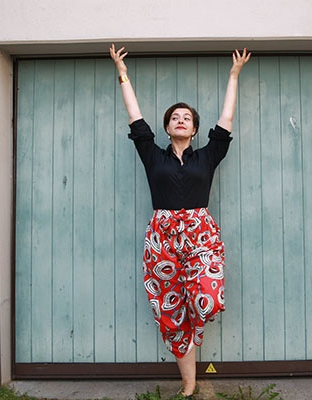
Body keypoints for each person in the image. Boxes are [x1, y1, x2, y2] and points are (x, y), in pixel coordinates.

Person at [110, 43, 251, 398]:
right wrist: (122, 74)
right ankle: (189, 384)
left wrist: (234, 75)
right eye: (175, 117)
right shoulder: (152, 155)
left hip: (200, 236)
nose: (181, 120)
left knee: (208, 297)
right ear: (167, 127)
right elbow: (135, 117)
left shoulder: (208, 155)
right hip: (163, 238)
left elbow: (227, 119)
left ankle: (194, 322)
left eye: (187, 117)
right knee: (171, 314)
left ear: (195, 128)